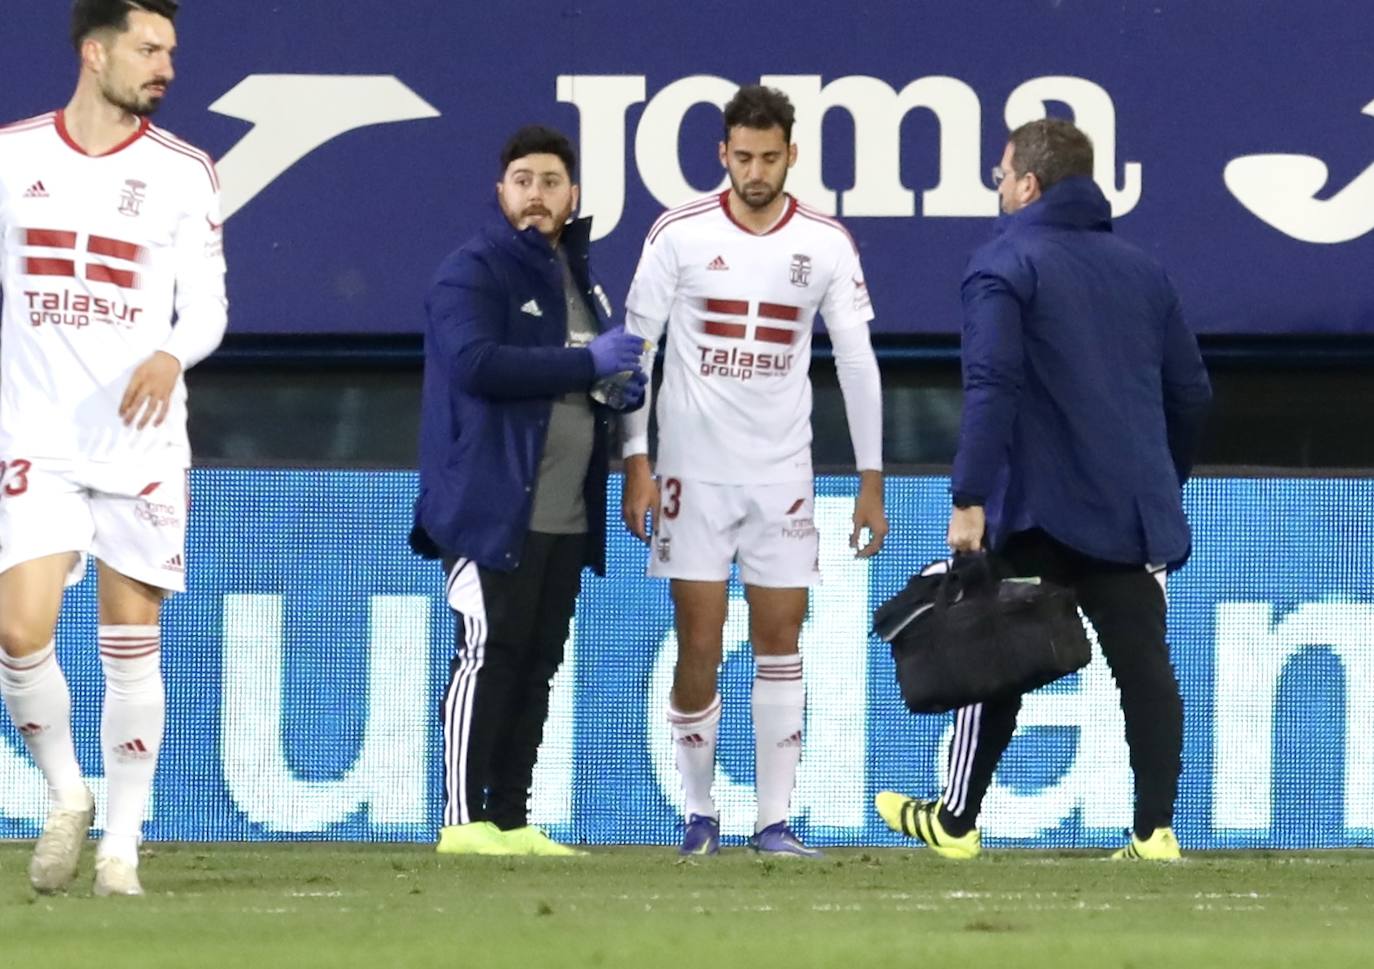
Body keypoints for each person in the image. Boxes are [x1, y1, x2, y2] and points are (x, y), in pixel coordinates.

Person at [876, 118, 1212, 861]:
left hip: (1038, 509)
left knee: (996, 653)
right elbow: (1191, 394)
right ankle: (1154, 830)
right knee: (1145, 667)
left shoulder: (1003, 261)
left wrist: (969, 496)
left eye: (1001, 174)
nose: (998, 188)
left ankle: (957, 820)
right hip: (1128, 508)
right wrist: (1161, 480)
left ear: (1028, 183)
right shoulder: (1143, 269)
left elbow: (991, 384)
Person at [621, 85, 887, 858]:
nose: (757, 171)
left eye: (770, 157)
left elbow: (858, 361)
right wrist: (636, 460)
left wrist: (872, 480)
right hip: (691, 474)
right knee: (698, 640)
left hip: (782, 473)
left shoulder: (828, 244)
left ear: (792, 155)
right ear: (721, 155)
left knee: (781, 639)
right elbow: (637, 352)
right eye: (743, 156)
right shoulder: (678, 234)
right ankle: (699, 813)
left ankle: (774, 820)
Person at [0, 0, 226, 896]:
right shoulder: (13, 156)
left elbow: (208, 303)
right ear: (95, 54)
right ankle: (67, 795)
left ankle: (121, 849)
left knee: (131, 640)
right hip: (37, 436)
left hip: (137, 444)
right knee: (19, 631)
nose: (165, 65)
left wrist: (174, 351)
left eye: (170, 49)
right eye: (148, 48)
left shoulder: (184, 171)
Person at [410, 124, 647, 857]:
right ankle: (459, 819)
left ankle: (510, 817)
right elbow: (478, 365)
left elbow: (579, 378)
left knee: (538, 662)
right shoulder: (471, 271)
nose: (536, 195)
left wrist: (614, 389)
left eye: (550, 181)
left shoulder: (581, 279)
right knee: (486, 655)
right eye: (523, 180)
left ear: (573, 194)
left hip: (566, 512)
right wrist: (585, 367)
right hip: (490, 507)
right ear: (500, 191)